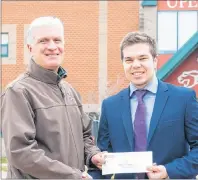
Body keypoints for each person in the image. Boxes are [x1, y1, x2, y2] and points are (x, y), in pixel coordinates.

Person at [1, 16, 105, 179]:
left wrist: (93, 155)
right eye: (43, 41)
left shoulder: (70, 91)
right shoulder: (18, 92)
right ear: (30, 48)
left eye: (57, 40)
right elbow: (21, 153)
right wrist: (72, 175)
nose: (52, 47)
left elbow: (85, 135)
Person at [97, 32, 198, 179]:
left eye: (142, 58)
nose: (136, 65)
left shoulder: (184, 99)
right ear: (123, 63)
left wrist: (168, 171)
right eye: (129, 60)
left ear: (155, 61)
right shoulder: (110, 106)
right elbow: (102, 157)